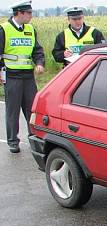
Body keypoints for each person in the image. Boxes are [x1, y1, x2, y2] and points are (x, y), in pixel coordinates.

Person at [0, 0, 45, 153]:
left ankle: (34, 137)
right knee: (12, 111)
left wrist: (40, 63)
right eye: (29, 13)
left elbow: (37, 50)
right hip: (12, 75)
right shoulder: (4, 29)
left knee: (32, 109)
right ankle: (13, 141)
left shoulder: (31, 29)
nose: (31, 16)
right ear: (19, 13)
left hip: (28, 76)